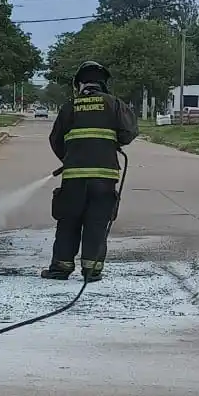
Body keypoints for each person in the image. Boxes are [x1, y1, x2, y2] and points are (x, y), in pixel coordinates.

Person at [42, 61, 138, 282]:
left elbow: (55, 140)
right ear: (103, 84)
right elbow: (129, 132)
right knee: (97, 222)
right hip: (105, 178)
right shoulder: (114, 105)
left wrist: (70, 158)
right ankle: (91, 270)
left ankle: (60, 268)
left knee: (68, 221)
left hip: (74, 177)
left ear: (80, 85)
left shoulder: (69, 106)